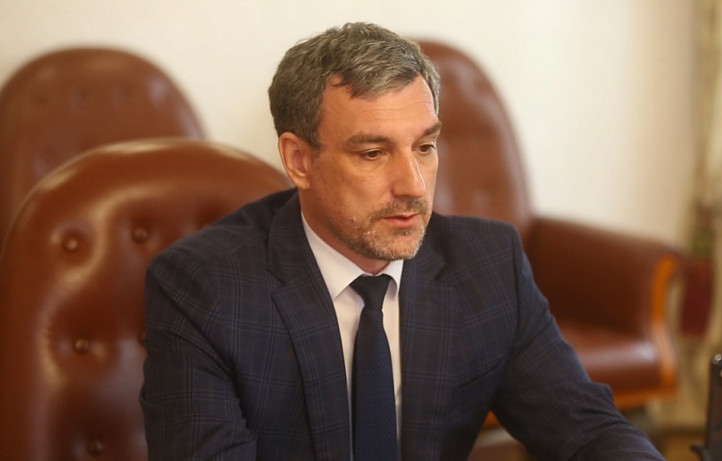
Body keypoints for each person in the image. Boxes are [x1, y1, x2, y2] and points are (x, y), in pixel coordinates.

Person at [140, 22, 665, 460]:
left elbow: (587, 429)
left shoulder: (488, 265)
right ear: (299, 160)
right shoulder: (203, 287)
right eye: (373, 153)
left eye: (425, 147)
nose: (413, 185)